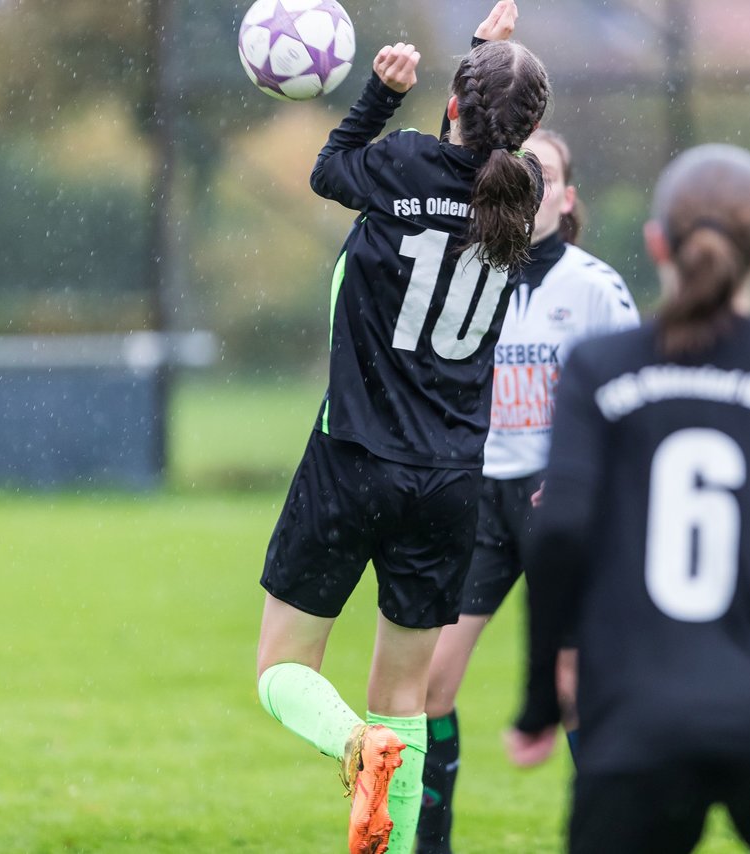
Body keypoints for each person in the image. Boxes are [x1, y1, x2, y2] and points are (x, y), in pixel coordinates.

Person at [508, 144, 750, 854]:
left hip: (635, 719)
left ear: (657, 243)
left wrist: (539, 700)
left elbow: (558, 533)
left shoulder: (599, 369)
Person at [254, 4, 550, 852]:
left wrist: (382, 94)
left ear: (449, 107)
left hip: (353, 458)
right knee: (408, 700)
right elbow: (485, 145)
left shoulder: (400, 162)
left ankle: (355, 747)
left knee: (282, 669)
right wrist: (488, 62)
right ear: (531, 133)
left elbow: (329, 168)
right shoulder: (520, 197)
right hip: (454, 480)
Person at [416, 128, 640, 854]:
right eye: (513, 168)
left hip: (561, 506)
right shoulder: (459, 276)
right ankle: (429, 844)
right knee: (427, 690)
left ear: (566, 197)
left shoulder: (596, 288)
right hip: (479, 502)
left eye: (541, 170)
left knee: (574, 690)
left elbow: (636, 407)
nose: (526, 180)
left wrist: (585, 482)